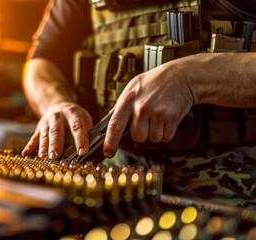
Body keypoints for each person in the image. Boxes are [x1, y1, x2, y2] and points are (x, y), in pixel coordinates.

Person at [21, 0, 256, 207]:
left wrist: (191, 78)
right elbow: (43, 59)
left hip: (235, 195)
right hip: (115, 188)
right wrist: (55, 103)